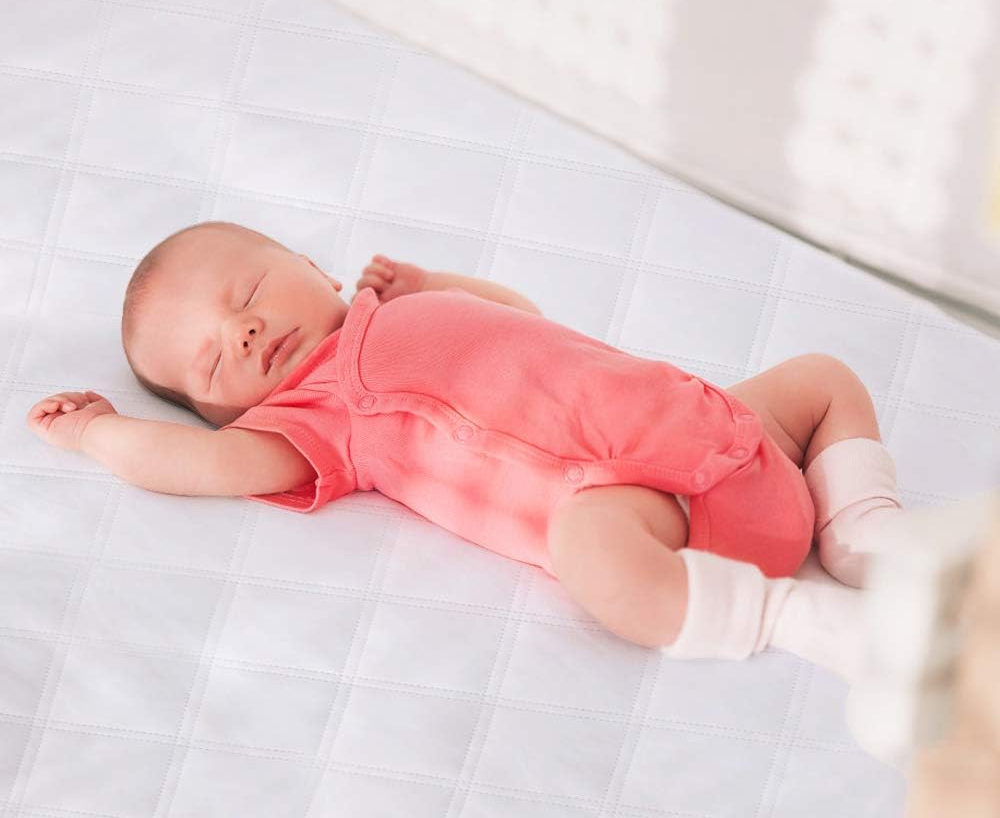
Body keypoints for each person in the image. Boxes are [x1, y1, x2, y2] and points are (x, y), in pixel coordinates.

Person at [26, 221, 903, 681]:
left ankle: (863, 529)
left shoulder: (399, 306)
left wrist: (435, 283)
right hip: (644, 505)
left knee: (821, 378)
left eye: (247, 291)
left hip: (719, 422)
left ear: (313, 265)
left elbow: (519, 316)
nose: (244, 329)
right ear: (223, 415)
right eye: (215, 361)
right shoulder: (312, 416)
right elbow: (204, 466)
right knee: (587, 552)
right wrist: (97, 431)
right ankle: (781, 615)